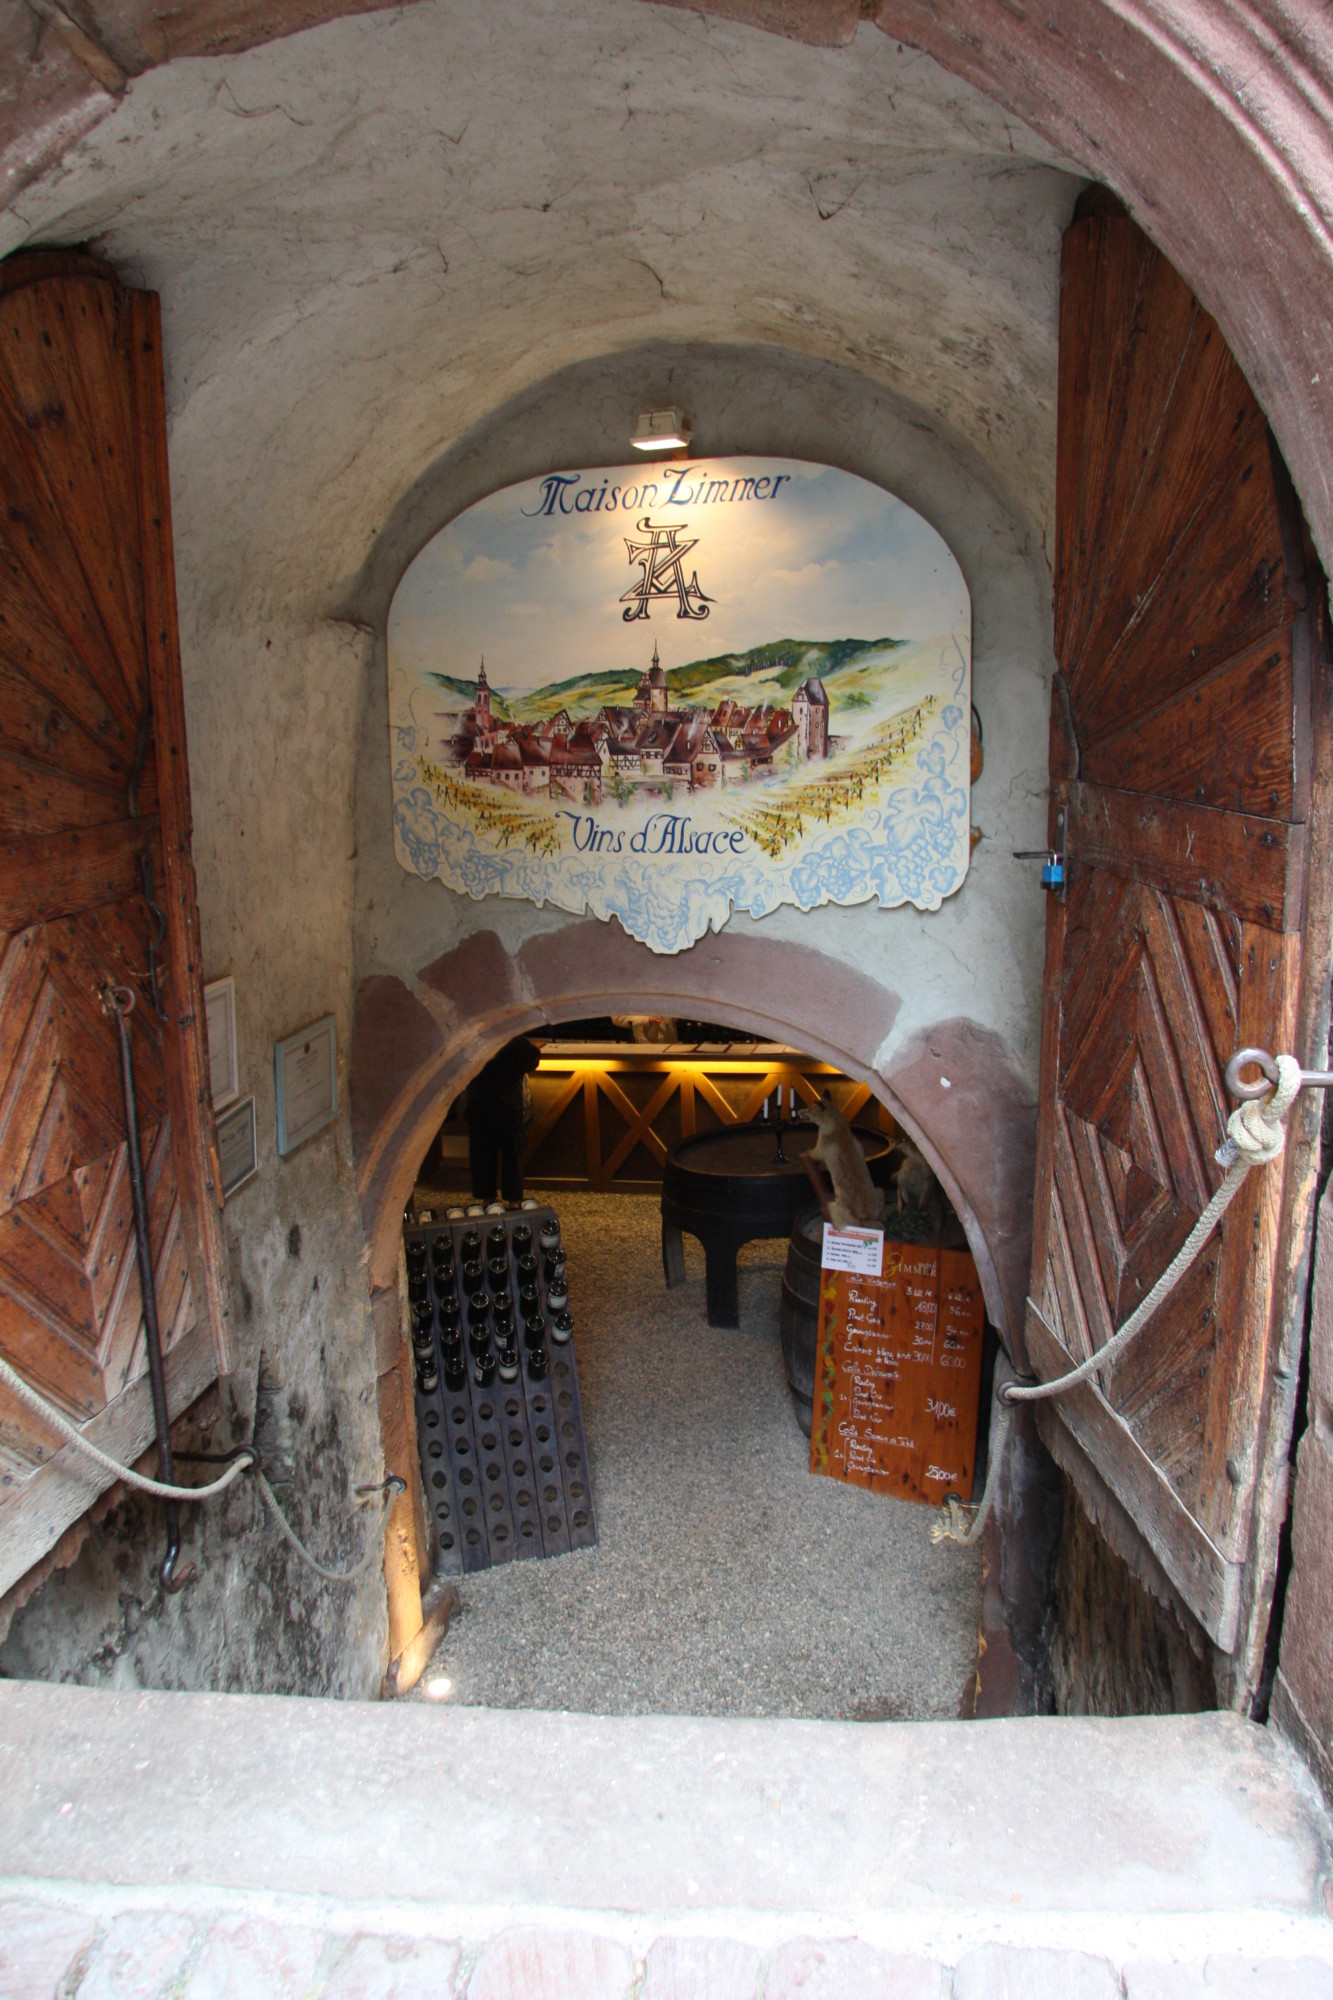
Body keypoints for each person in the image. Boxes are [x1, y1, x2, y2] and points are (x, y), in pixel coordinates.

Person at [465, 1035, 541, 1206]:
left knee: (483, 1152)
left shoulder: (477, 1039)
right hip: (508, 1106)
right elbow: (531, 1063)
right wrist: (535, 1048)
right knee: (512, 1153)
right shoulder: (515, 1041)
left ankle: (488, 1197)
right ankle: (514, 1199)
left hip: (479, 1103)